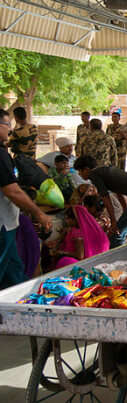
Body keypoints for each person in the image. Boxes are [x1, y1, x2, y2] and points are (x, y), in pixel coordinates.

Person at [0, 109, 52, 289]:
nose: (10, 130)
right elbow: (12, 191)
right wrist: (38, 213)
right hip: (2, 225)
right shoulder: (0, 155)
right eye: (7, 126)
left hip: (8, 223)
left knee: (14, 277)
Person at [74, 155, 127, 248]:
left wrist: (114, 222)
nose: (79, 174)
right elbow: (120, 193)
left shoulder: (94, 175)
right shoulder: (105, 170)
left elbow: (106, 199)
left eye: (80, 171)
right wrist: (125, 210)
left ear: (86, 169)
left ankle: (117, 259)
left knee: (117, 234)